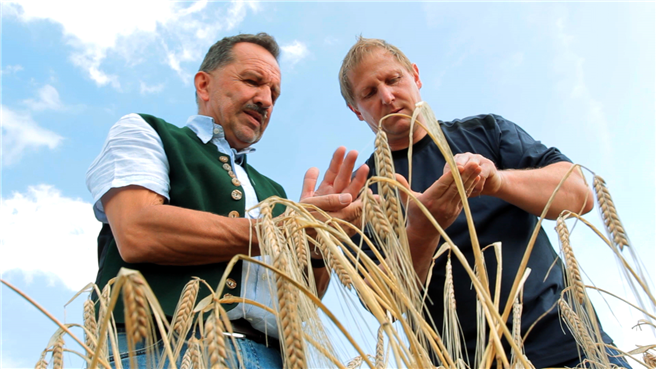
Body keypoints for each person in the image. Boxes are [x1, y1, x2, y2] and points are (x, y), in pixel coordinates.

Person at [338, 36, 631, 368]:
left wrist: (498, 181)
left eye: (393, 80)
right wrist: (421, 231)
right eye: (369, 93)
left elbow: (579, 195)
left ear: (415, 76)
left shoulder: (486, 132)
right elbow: (380, 301)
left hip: (577, 349)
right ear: (356, 110)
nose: (387, 97)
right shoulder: (364, 190)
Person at [86, 32, 367, 368]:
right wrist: (278, 231)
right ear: (204, 85)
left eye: (274, 94)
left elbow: (299, 301)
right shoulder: (147, 133)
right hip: (163, 349)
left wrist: (318, 244)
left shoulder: (274, 191)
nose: (265, 100)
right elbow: (137, 230)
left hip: (272, 357)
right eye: (252, 81)